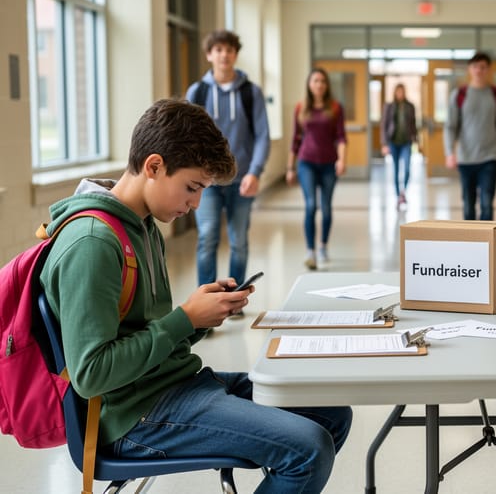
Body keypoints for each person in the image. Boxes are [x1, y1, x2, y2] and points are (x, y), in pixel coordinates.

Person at [38, 99, 352, 494]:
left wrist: (200, 317)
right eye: (192, 187)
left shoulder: (143, 225)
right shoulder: (93, 243)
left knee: (332, 413)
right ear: (153, 167)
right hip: (133, 415)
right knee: (310, 448)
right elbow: (92, 374)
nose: (196, 204)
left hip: (173, 385)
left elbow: (144, 333)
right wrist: (184, 318)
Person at [186, 29, 270, 314]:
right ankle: (205, 305)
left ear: (235, 54)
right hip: (205, 182)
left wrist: (255, 172)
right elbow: (186, 136)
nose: (224, 55)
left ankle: (233, 302)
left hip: (242, 179)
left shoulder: (250, 92)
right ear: (210, 54)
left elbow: (262, 135)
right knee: (207, 237)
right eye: (218, 49)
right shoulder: (197, 92)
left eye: (229, 50)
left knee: (239, 242)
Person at [286, 67, 347, 270]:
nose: (319, 84)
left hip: (329, 163)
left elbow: (341, 137)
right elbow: (295, 139)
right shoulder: (301, 108)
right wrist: (290, 167)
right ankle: (310, 251)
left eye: (322, 81)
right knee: (311, 205)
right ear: (309, 85)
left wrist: (342, 160)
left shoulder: (336, 108)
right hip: (306, 162)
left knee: (327, 209)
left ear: (326, 85)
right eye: (315, 81)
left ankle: (323, 246)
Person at [444, 51, 496, 220]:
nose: (479, 71)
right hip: (466, 158)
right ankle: (471, 244)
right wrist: (449, 152)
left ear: (488, 70)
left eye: (483, 67)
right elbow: (450, 126)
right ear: (469, 69)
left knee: (487, 202)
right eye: (475, 67)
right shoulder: (459, 95)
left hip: (490, 157)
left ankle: (487, 244)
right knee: (468, 202)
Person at [380, 83, 418, 209]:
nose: (400, 94)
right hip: (393, 142)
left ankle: (403, 192)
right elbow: (384, 125)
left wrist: (416, 140)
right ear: (395, 93)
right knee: (396, 170)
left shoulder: (410, 106)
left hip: (406, 142)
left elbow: (413, 124)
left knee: (407, 169)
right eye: (398, 92)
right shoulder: (389, 107)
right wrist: (384, 143)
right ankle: (398, 196)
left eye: (402, 92)